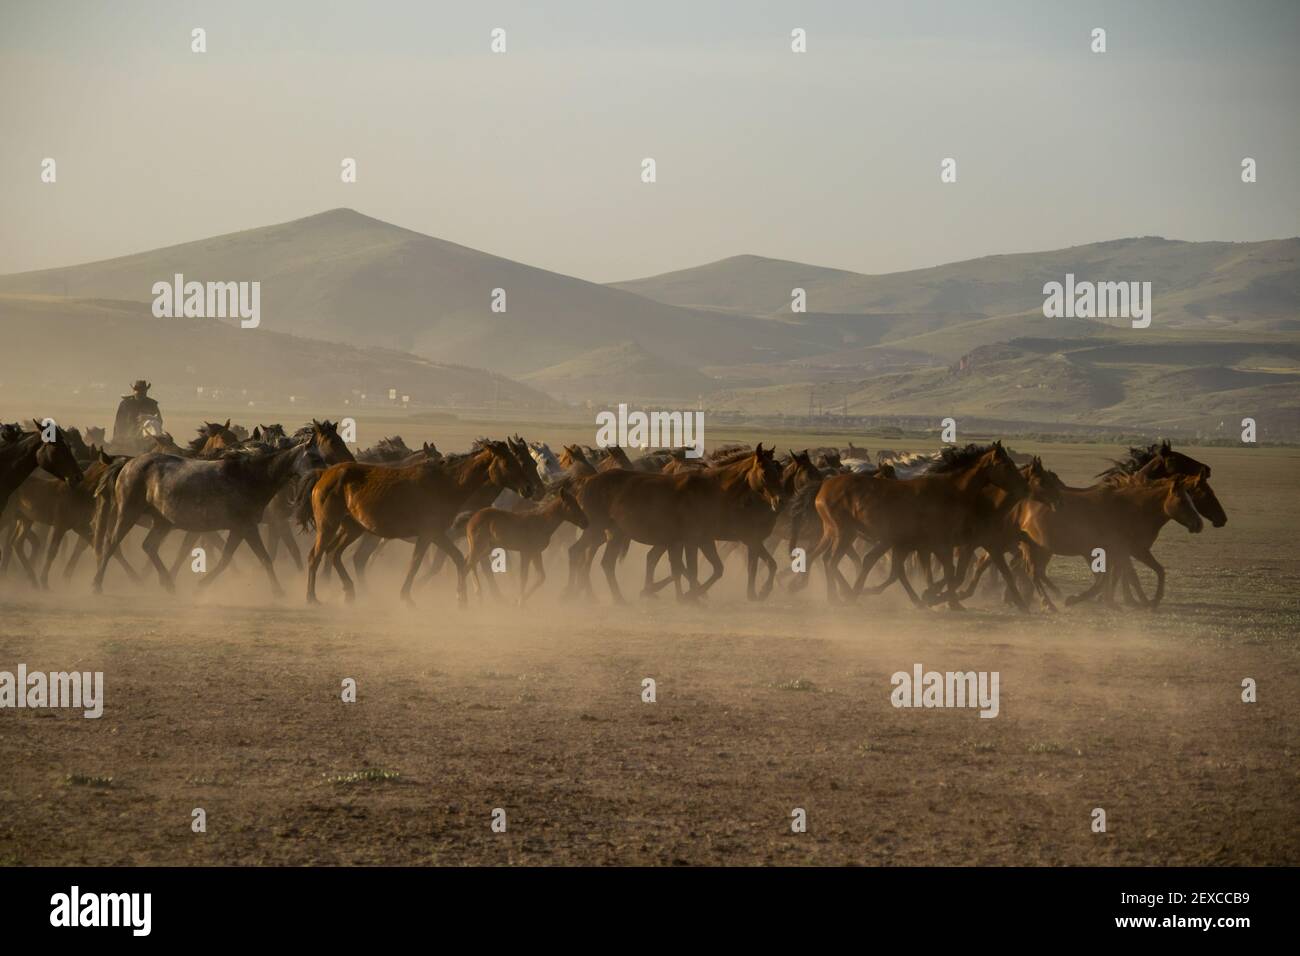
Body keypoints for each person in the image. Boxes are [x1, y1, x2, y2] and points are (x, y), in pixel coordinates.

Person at [112, 380, 162, 447]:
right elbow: (118, 423)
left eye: (143, 391)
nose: (140, 393)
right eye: (138, 390)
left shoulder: (152, 404)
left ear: (146, 391)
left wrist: (148, 417)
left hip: (148, 438)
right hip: (127, 437)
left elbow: (159, 420)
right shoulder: (125, 404)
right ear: (134, 391)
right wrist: (117, 437)